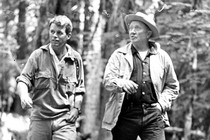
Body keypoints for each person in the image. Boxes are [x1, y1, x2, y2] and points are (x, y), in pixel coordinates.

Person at [102, 12, 179, 140]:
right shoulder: (119, 54)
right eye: (130, 28)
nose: (132, 32)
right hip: (125, 114)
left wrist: (161, 105)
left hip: (153, 115)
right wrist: (121, 83)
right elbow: (107, 81)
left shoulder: (162, 57)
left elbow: (172, 86)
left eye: (137, 28)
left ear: (148, 34)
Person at [16, 15, 85, 140]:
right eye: (52, 32)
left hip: (65, 119)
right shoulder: (38, 55)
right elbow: (23, 80)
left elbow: (79, 88)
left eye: (59, 33)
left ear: (68, 36)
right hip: (40, 118)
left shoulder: (76, 59)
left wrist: (76, 109)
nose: (54, 35)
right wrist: (24, 95)